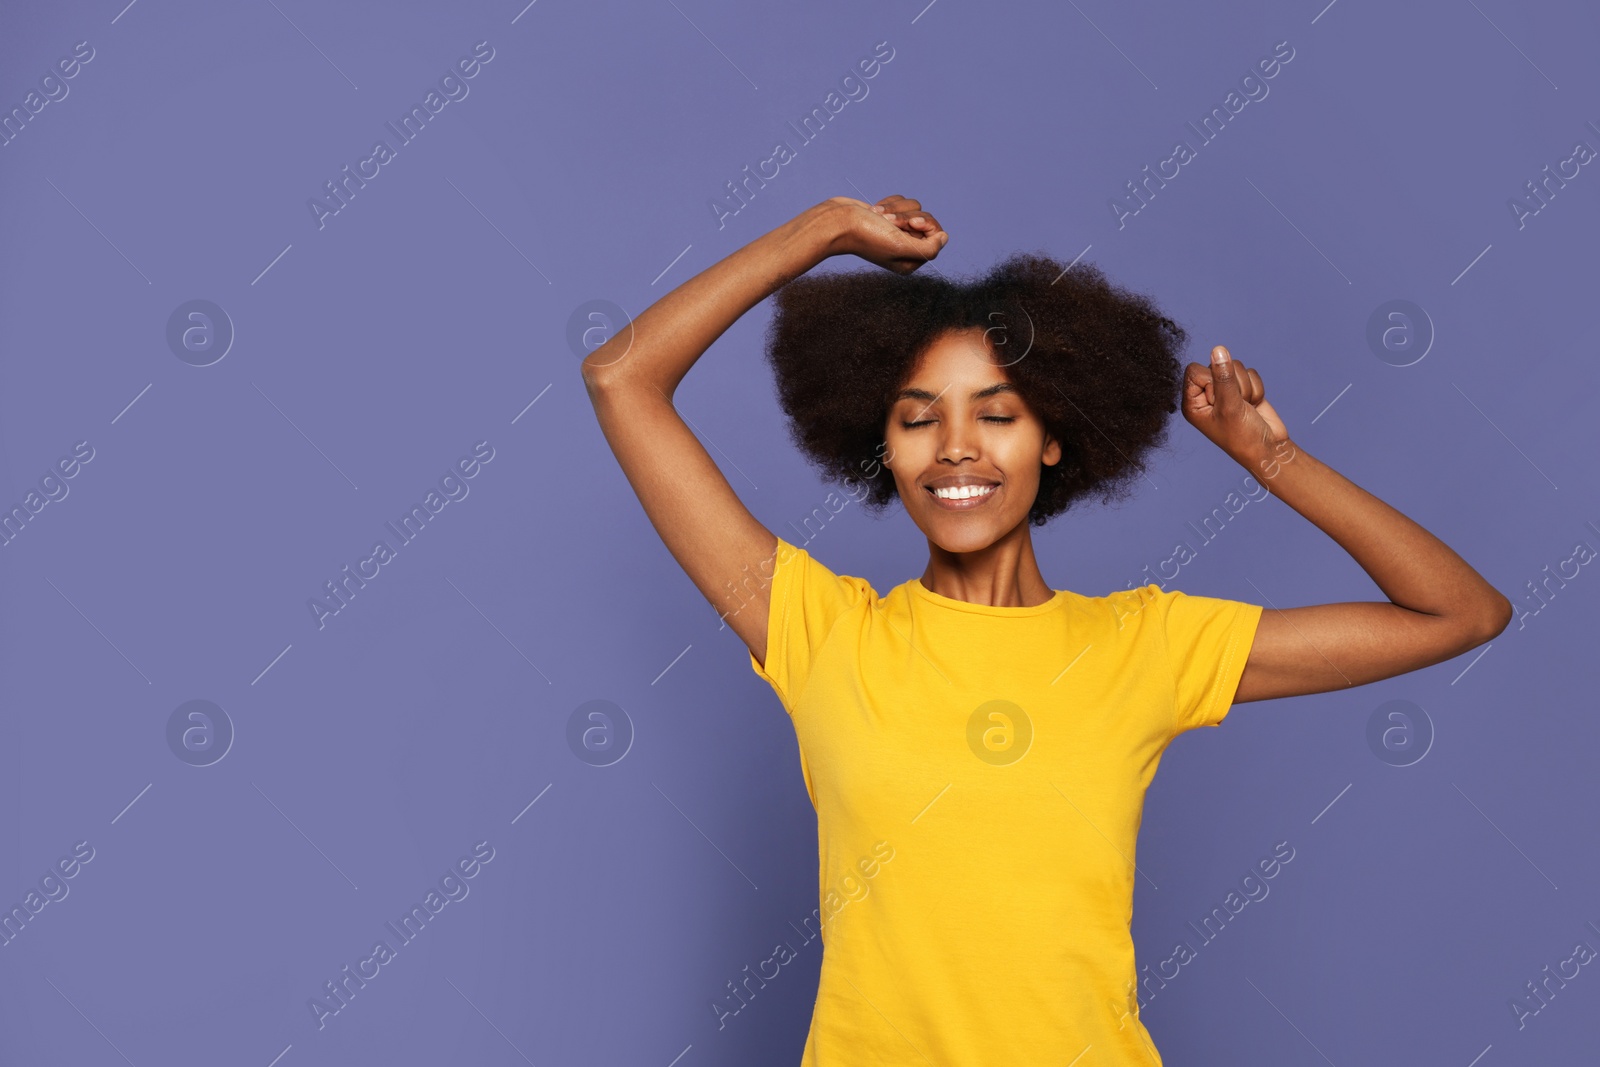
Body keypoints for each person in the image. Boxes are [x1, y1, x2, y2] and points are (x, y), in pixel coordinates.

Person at [579, 194, 1511, 1065]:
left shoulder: (1147, 646)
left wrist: (1274, 456)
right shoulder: (817, 631)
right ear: (885, 450)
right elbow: (622, 376)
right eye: (916, 420)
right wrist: (820, 232)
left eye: (997, 415)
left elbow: (1461, 612)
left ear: (1052, 439)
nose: (955, 447)